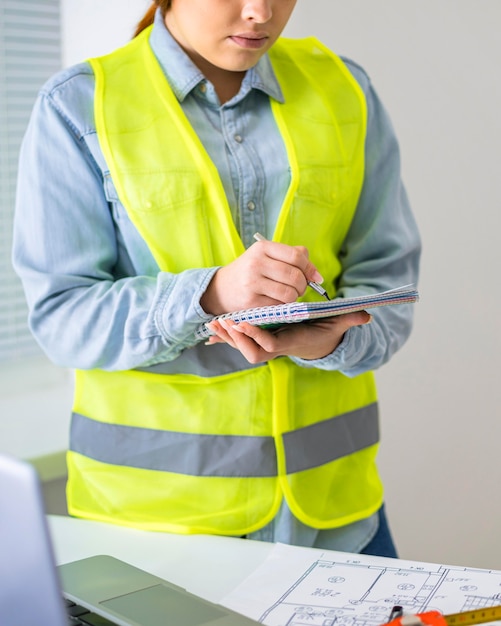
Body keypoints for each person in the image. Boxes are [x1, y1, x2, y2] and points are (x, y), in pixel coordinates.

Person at [12, 0, 421, 557]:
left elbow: (390, 278)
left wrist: (338, 337)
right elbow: (62, 320)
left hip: (341, 524)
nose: (260, 12)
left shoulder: (345, 89)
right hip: (157, 536)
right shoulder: (79, 104)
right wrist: (209, 295)